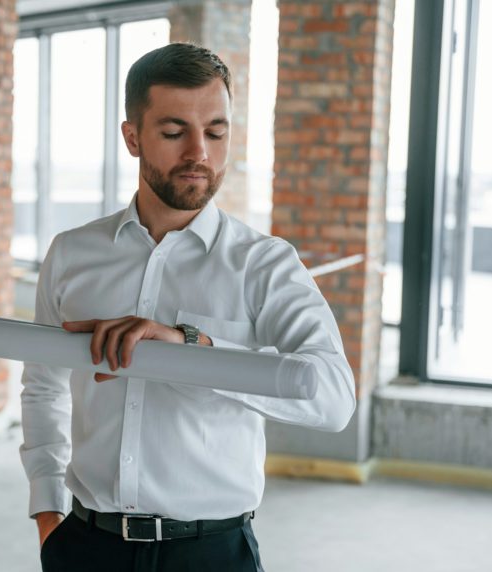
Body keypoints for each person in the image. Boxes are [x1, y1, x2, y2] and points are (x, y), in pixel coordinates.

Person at [20, 43, 356, 572]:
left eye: (216, 132)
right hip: (86, 546)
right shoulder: (72, 254)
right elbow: (42, 386)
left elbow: (333, 399)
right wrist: (47, 513)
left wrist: (192, 348)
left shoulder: (264, 265)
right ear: (133, 137)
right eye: (175, 132)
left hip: (212, 553)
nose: (199, 152)